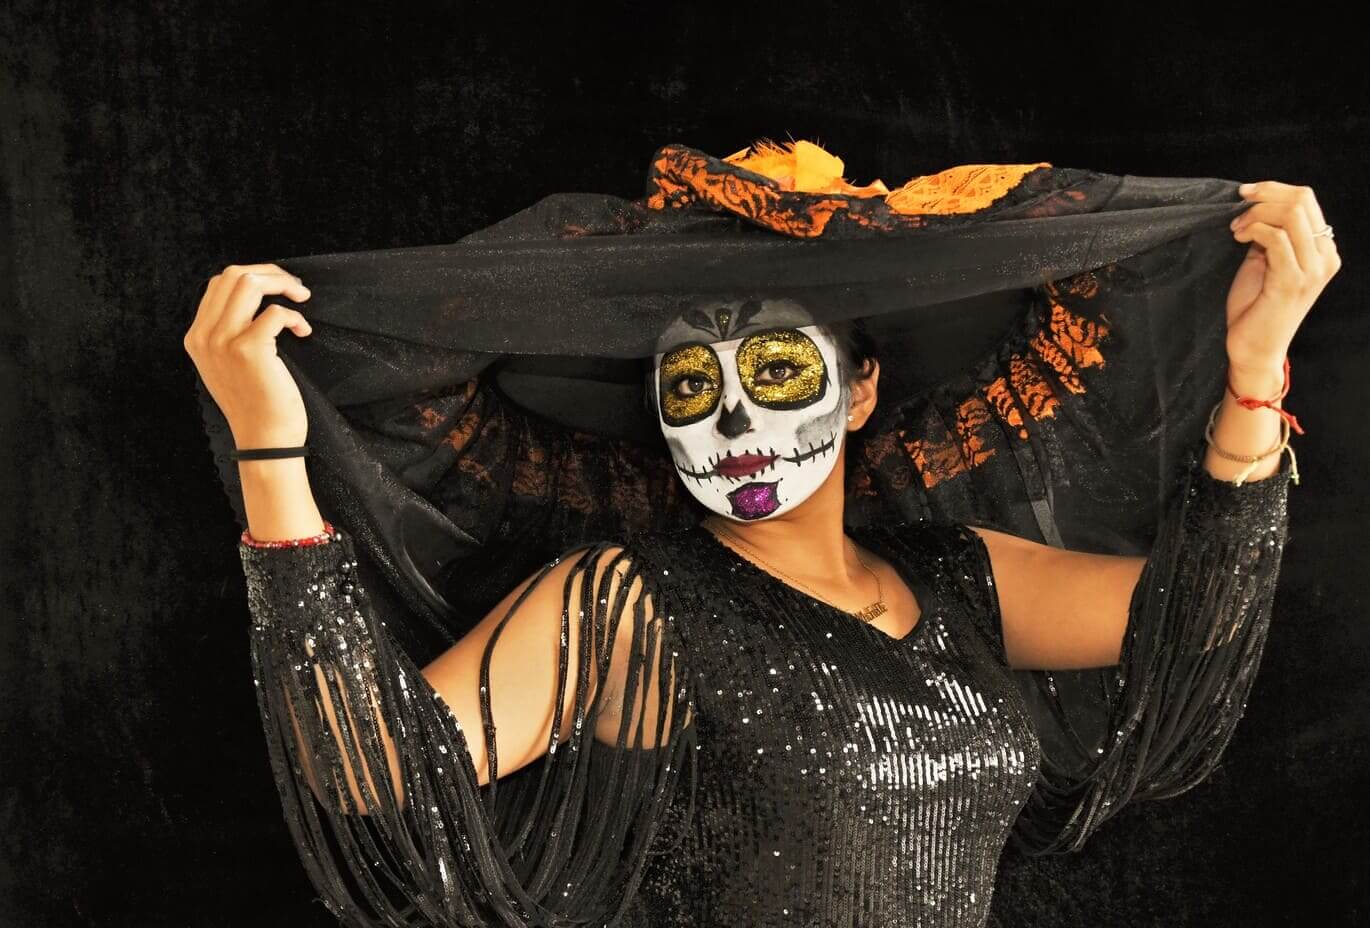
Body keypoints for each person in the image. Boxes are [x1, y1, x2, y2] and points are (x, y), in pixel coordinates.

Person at [185, 148, 1337, 925]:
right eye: (692, 384)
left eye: (776, 370)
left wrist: (1251, 373)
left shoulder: (954, 577)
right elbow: (371, 772)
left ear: (860, 388)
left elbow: (1199, 619)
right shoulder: (626, 601)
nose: (732, 418)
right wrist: (271, 456)